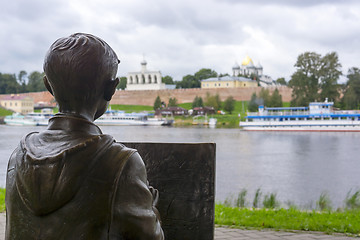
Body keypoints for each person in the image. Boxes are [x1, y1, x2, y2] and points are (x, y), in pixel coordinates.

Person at [5, 33, 164, 240]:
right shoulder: (120, 162)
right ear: (111, 89)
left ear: (48, 87)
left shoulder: (18, 156)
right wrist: (150, 206)